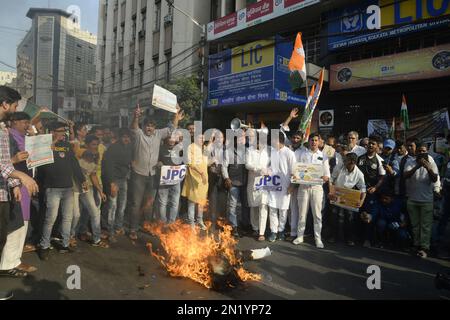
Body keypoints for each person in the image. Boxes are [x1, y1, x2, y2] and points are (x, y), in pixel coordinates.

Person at [128, 104, 183, 240]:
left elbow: (171, 129)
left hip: (152, 176)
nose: (149, 128)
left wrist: (176, 117)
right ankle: (133, 229)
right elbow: (134, 127)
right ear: (144, 126)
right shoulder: (139, 134)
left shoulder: (158, 134)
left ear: (154, 127)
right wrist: (136, 116)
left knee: (149, 203)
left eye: (152, 126)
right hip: (139, 175)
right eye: (147, 125)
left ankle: (146, 226)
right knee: (136, 203)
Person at [0, 86, 39, 276]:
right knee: (13, 227)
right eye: (14, 107)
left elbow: (4, 160)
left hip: (8, 188)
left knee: (11, 229)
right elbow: (6, 162)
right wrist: (20, 176)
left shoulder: (4, 130)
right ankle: (8, 264)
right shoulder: (8, 133)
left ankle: (9, 264)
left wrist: (15, 183)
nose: (14, 110)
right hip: (8, 186)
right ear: (5, 104)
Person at [37, 122, 85, 260]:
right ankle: (44, 245)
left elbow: (74, 164)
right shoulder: (45, 146)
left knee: (67, 218)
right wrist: (49, 147)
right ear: (52, 132)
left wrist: (82, 179)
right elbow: (40, 168)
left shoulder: (67, 146)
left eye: (65, 131)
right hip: (52, 188)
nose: (64, 134)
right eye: (60, 131)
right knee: (50, 218)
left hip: (68, 188)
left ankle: (64, 244)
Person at [293, 133, 330, 248]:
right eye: (312, 140)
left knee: (317, 215)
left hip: (317, 188)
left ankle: (318, 238)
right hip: (303, 187)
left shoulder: (323, 156)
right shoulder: (302, 154)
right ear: (308, 141)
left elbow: (327, 174)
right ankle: (300, 236)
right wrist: (295, 175)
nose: (314, 142)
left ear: (319, 142)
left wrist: (325, 177)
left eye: (316, 140)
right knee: (302, 213)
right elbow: (296, 169)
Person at [403, 142, 439, 258]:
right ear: (416, 152)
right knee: (415, 225)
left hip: (427, 200)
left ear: (427, 151)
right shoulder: (411, 161)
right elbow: (405, 175)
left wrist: (428, 167)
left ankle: (424, 248)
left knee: (426, 226)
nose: (422, 153)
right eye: (419, 151)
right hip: (413, 199)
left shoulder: (431, 161)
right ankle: (416, 245)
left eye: (424, 151)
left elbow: (434, 179)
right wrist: (417, 166)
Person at [328, 152, 366, 245]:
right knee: (334, 215)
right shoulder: (339, 166)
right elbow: (331, 180)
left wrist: (361, 202)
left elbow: (363, 189)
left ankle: (349, 238)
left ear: (352, 162)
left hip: (349, 195)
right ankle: (333, 236)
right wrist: (331, 192)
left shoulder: (359, 174)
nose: (343, 161)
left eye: (346, 160)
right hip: (336, 193)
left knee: (349, 218)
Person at [102, 128, 132, 240]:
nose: (126, 139)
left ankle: (118, 227)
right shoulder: (113, 149)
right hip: (114, 180)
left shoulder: (130, 147)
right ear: (120, 137)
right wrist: (111, 183)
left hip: (124, 180)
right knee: (112, 207)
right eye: (124, 137)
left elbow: (130, 162)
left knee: (122, 206)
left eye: (128, 137)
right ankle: (110, 231)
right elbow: (108, 167)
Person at [355, 134, 386, 246]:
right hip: (359, 191)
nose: (370, 145)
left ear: (377, 146)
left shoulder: (380, 160)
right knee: (358, 214)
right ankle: (357, 237)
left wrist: (375, 187)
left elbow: (382, 177)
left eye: (373, 144)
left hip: (370, 193)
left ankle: (368, 239)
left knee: (368, 216)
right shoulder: (360, 158)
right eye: (369, 143)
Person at [266, 134, 296, 242]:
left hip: (285, 185)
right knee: (272, 208)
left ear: (280, 141)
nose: (273, 143)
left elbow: (294, 171)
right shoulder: (273, 152)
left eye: (274, 140)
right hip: (273, 184)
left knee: (283, 209)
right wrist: (267, 171)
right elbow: (271, 166)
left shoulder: (289, 153)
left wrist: (292, 186)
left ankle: (281, 231)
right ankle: (273, 231)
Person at [245, 127, 270, 240]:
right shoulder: (249, 150)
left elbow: (271, 165)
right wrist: (258, 169)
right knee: (253, 206)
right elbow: (247, 165)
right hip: (253, 182)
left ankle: (261, 232)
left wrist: (269, 170)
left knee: (263, 205)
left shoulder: (267, 151)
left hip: (264, 182)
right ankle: (255, 228)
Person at [222, 131, 248, 237]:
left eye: (243, 138)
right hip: (233, 182)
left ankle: (245, 225)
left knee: (245, 206)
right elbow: (224, 166)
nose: (241, 140)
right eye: (239, 138)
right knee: (232, 206)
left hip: (246, 182)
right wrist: (226, 178)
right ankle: (234, 227)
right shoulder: (228, 151)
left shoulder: (248, 151)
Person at [182, 134, 208, 230]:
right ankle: (191, 222)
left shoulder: (205, 148)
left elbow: (206, 163)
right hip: (194, 177)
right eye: (200, 137)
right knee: (192, 201)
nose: (202, 139)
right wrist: (200, 172)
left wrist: (214, 160)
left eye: (203, 137)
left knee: (201, 201)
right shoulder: (190, 147)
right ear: (195, 138)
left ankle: (200, 220)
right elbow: (189, 163)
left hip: (204, 178)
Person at [156, 135, 183, 224]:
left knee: (175, 202)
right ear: (166, 139)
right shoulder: (160, 149)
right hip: (164, 179)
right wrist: (159, 162)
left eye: (173, 138)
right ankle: (162, 222)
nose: (171, 140)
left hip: (176, 179)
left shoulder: (180, 148)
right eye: (170, 138)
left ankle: (171, 223)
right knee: (162, 202)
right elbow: (156, 160)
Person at [205, 129, 225, 225]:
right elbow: (204, 156)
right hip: (212, 176)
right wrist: (210, 140)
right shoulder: (211, 147)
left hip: (222, 177)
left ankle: (221, 221)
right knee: (212, 199)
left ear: (223, 139)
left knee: (222, 200)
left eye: (221, 137)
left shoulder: (226, 148)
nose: (219, 139)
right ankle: (212, 221)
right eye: (217, 137)